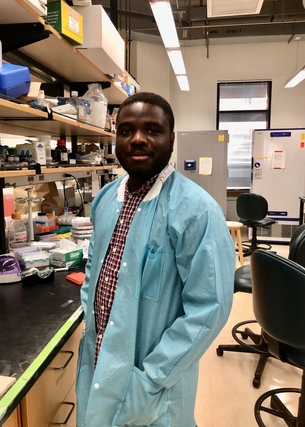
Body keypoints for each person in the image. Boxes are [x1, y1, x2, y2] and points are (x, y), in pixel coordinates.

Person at [76, 92, 235, 427]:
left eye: (152, 130)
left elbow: (209, 308)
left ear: (171, 138)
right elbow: (94, 267)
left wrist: (152, 377)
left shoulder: (196, 211)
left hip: (153, 381)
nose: (137, 139)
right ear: (115, 137)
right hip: (99, 358)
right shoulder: (106, 199)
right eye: (126, 130)